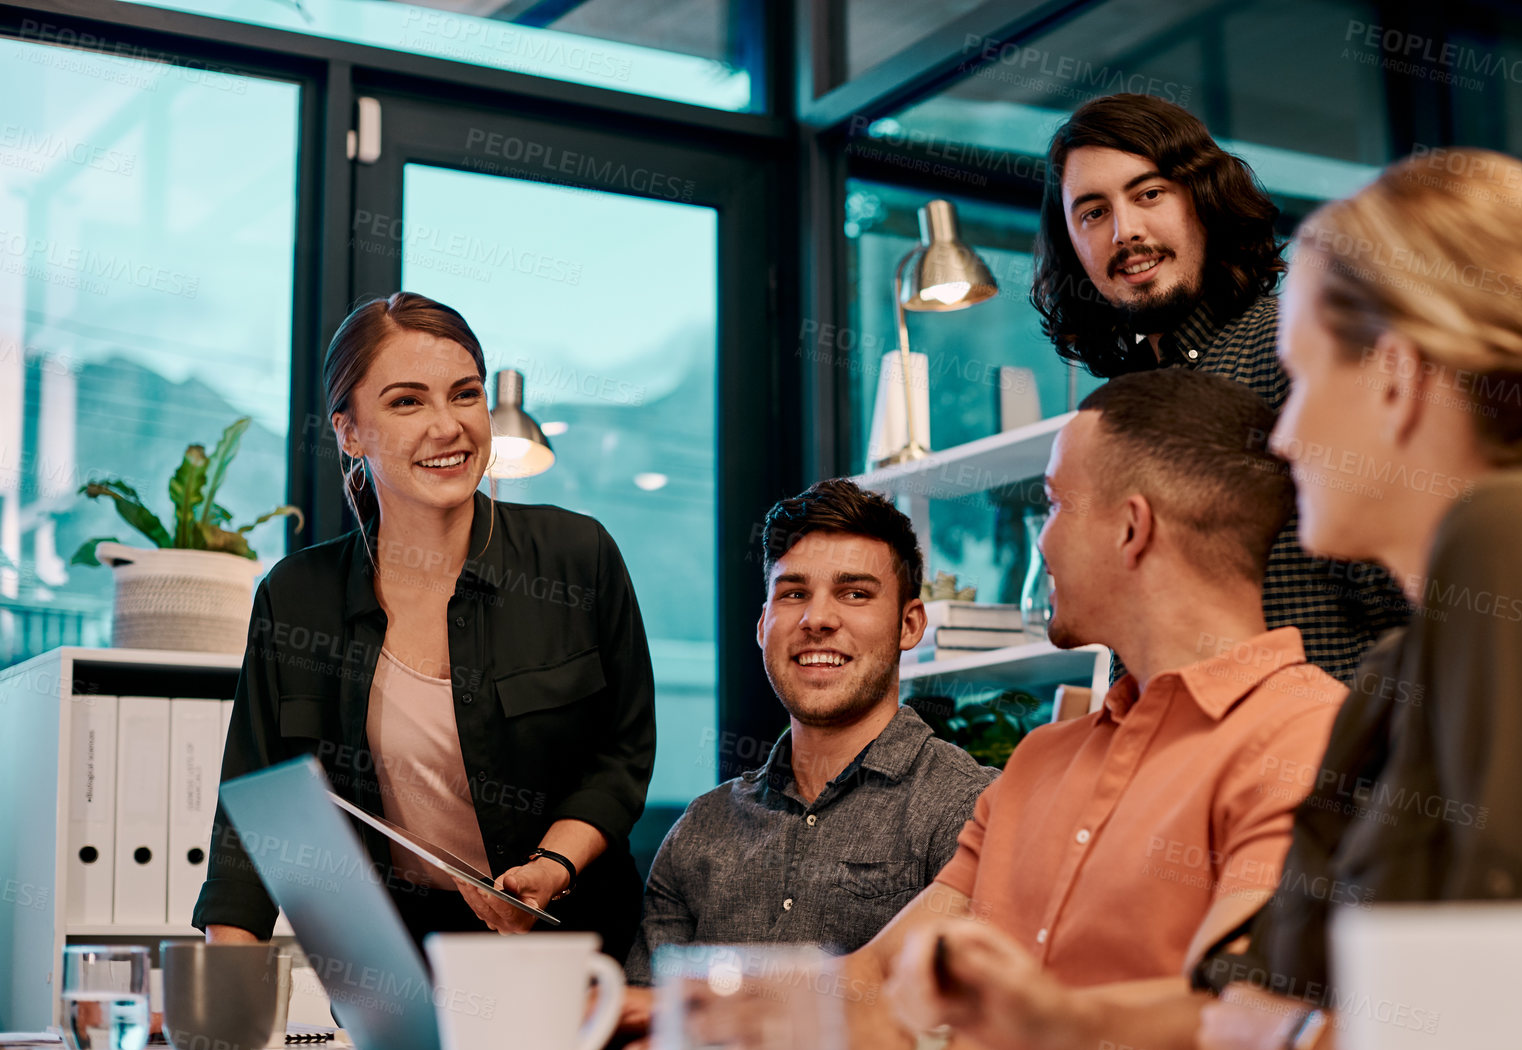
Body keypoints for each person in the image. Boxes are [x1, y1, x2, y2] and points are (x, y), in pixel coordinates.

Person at [883, 148, 1522, 1050]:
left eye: (1298, 378)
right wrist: (1041, 1021)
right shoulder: (1402, 670)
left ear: (1395, 378)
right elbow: (1240, 1014)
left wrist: (1292, 1040)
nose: (1281, 441)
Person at [846, 369, 1348, 1050]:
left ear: (1130, 526)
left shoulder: (1307, 736)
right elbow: (872, 974)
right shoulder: (1037, 761)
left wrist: (924, 1046)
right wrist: (709, 1001)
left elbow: (1231, 1020)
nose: (1040, 542)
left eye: (1051, 505)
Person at [193, 292, 656, 961]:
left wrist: (553, 864)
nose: (449, 426)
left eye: (464, 394)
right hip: (399, 964)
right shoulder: (297, 598)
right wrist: (222, 1008)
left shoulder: (577, 557)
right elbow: (251, 814)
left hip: (576, 944)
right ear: (350, 431)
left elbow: (624, 751)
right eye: (407, 401)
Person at [1033, 93, 1408, 681]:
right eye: (1093, 212)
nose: (1125, 231)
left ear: (1203, 199)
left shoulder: (1298, 350)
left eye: (1149, 194)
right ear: (1072, 244)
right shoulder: (1109, 413)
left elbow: (1405, 601)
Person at [624, 479, 993, 981]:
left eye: (855, 593)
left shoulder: (974, 809)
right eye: (794, 593)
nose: (817, 618)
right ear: (762, 627)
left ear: (909, 625)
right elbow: (654, 1025)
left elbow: (974, 1021)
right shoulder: (700, 832)